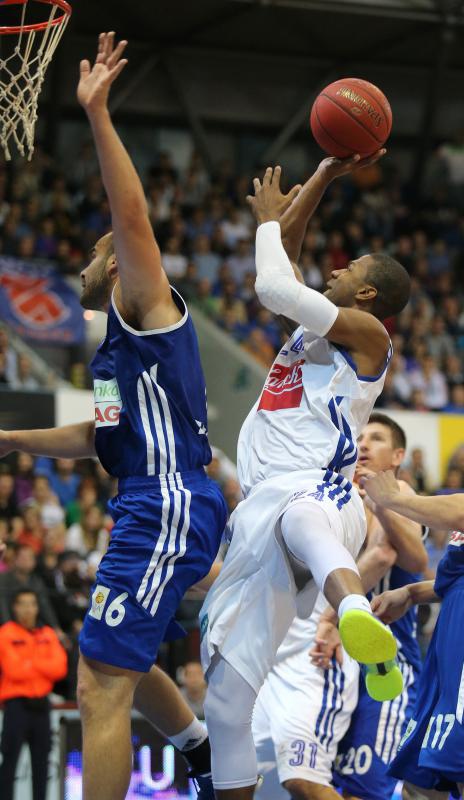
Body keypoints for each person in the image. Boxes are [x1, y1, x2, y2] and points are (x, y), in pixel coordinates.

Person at [0, 32, 227, 800]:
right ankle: (196, 748)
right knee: (114, 654)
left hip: (167, 500)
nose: (88, 269)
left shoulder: (142, 309)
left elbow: (130, 219)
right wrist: (11, 439)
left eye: (95, 259)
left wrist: (97, 114)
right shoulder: (107, 364)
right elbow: (100, 443)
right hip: (148, 497)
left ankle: (194, 754)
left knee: (99, 683)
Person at [199, 162, 411, 799]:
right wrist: (324, 173)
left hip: (321, 491)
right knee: (225, 700)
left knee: (299, 515)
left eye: (351, 270)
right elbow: (283, 254)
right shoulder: (316, 329)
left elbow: (273, 283)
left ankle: (354, 613)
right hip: (264, 508)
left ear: (368, 295)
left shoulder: (369, 335)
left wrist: (267, 219)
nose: (337, 269)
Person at [252, 414, 427, 800]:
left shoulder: (400, 494)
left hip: (386, 665)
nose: (364, 445)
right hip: (338, 661)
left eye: (377, 439)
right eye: (361, 437)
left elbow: (403, 557)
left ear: (397, 455)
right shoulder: (343, 496)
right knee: (324, 783)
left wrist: (333, 614)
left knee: (364, 791)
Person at [361, 471, 464, 799]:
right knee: (419, 783)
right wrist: (412, 593)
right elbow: (454, 580)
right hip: (446, 655)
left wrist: (395, 499)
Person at [0, 588, 68, 800]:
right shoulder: (6, 634)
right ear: (15, 607)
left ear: (37, 608)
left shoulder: (47, 633)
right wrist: (41, 665)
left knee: (41, 765)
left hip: (41, 706)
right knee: (9, 763)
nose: (28, 609)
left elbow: (60, 668)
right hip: (16, 706)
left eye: (32, 604)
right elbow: (13, 669)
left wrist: (30, 662)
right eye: (23, 604)